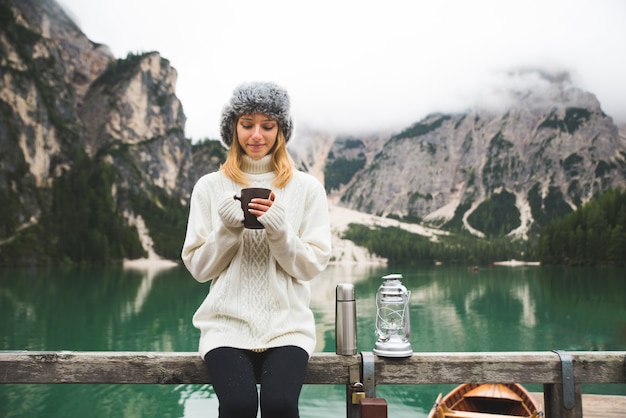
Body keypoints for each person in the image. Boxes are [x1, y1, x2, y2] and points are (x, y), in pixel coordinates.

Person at [181, 81, 332, 418]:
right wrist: (227, 230)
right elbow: (199, 269)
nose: (256, 135)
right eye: (247, 124)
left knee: (280, 406)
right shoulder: (209, 187)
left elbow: (311, 266)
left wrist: (280, 232)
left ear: (281, 131)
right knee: (238, 407)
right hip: (225, 326)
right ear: (232, 128)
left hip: (288, 327)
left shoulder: (307, 188)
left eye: (268, 125)